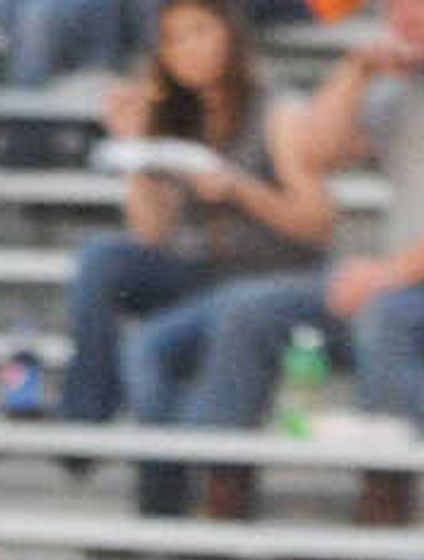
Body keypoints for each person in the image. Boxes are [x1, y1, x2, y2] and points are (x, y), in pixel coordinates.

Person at [146, 0, 424, 528]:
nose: (401, 14)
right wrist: (356, 73)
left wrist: (389, 274)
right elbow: (315, 149)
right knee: (250, 310)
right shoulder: (404, 82)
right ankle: (220, 504)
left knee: (388, 314)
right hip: (411, 287)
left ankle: (384, 516)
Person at [66, 0, 329, 503]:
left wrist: (238, 189)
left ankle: (162, 502)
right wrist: (138, 150)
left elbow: (317, 226)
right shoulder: (175, 117)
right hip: (199, 273)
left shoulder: (280, 112)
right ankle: (84, 415)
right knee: (102, 259)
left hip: (267, 279)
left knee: (148, 350)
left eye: (199, 31)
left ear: (231, 34)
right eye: (174, 38)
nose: (188, 48)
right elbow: (150, 233)